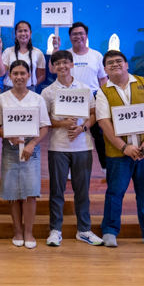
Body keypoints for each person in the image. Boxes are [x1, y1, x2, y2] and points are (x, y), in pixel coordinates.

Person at [95, 50, 144, 249]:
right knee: (114, 192)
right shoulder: (102, 91)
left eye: (119, 61)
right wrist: (124, 147)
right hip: (119, 154)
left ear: (127, 64)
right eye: (110, 63)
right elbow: (103, 122)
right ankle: (109, 231)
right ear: (105, 69)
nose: (115, 64)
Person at [41, 50, 103, 247]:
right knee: (57, 190)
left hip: (82, 146)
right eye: (57, 63)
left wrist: (82, 128)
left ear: (72, 64)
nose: (62, 66)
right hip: (57, 147)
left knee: (82, 191)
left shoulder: (84, 89)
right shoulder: (47, 92)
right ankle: (55, 230)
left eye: (65, 63)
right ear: (52, 67)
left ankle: (84, 230)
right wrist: (63, 124)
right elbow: (44, 120)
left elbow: (93, 114)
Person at [0, 61, 50, 249]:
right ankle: (18, 231)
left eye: (22, 73)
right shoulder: (1, 99)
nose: (19, 77)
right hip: (10, 150)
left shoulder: (37, 99)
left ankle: (29, 232)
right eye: (15, 73)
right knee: (12, 192)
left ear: (29, 76)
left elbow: (44, 127)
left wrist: (32, 143)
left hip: (31, 150)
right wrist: (8, 137)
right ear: (9, 76)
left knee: (30, 192)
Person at [51, 22, 108, 174]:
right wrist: (56, 48)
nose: (78, 36)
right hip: (69, 96)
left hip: (92, 97)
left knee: (99, 134)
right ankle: (69, 168)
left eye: (81, 33)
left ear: (86, 35)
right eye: (74, 34)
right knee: (71, 129)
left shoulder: (96, 55)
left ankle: (105, 166)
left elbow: (103, 79)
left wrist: (105, 97)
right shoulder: (65, 55)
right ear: (69, 37)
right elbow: (52, 69)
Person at [0, 21, 46, 92]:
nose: (23, 33)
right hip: (10, 89)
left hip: (29, 90)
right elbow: (0, 73)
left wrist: (30, 85)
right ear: (15, 34)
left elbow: (41, 76)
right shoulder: (8, 51)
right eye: (20, 31)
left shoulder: (38, 53)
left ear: (30, 33)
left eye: (25, 31)